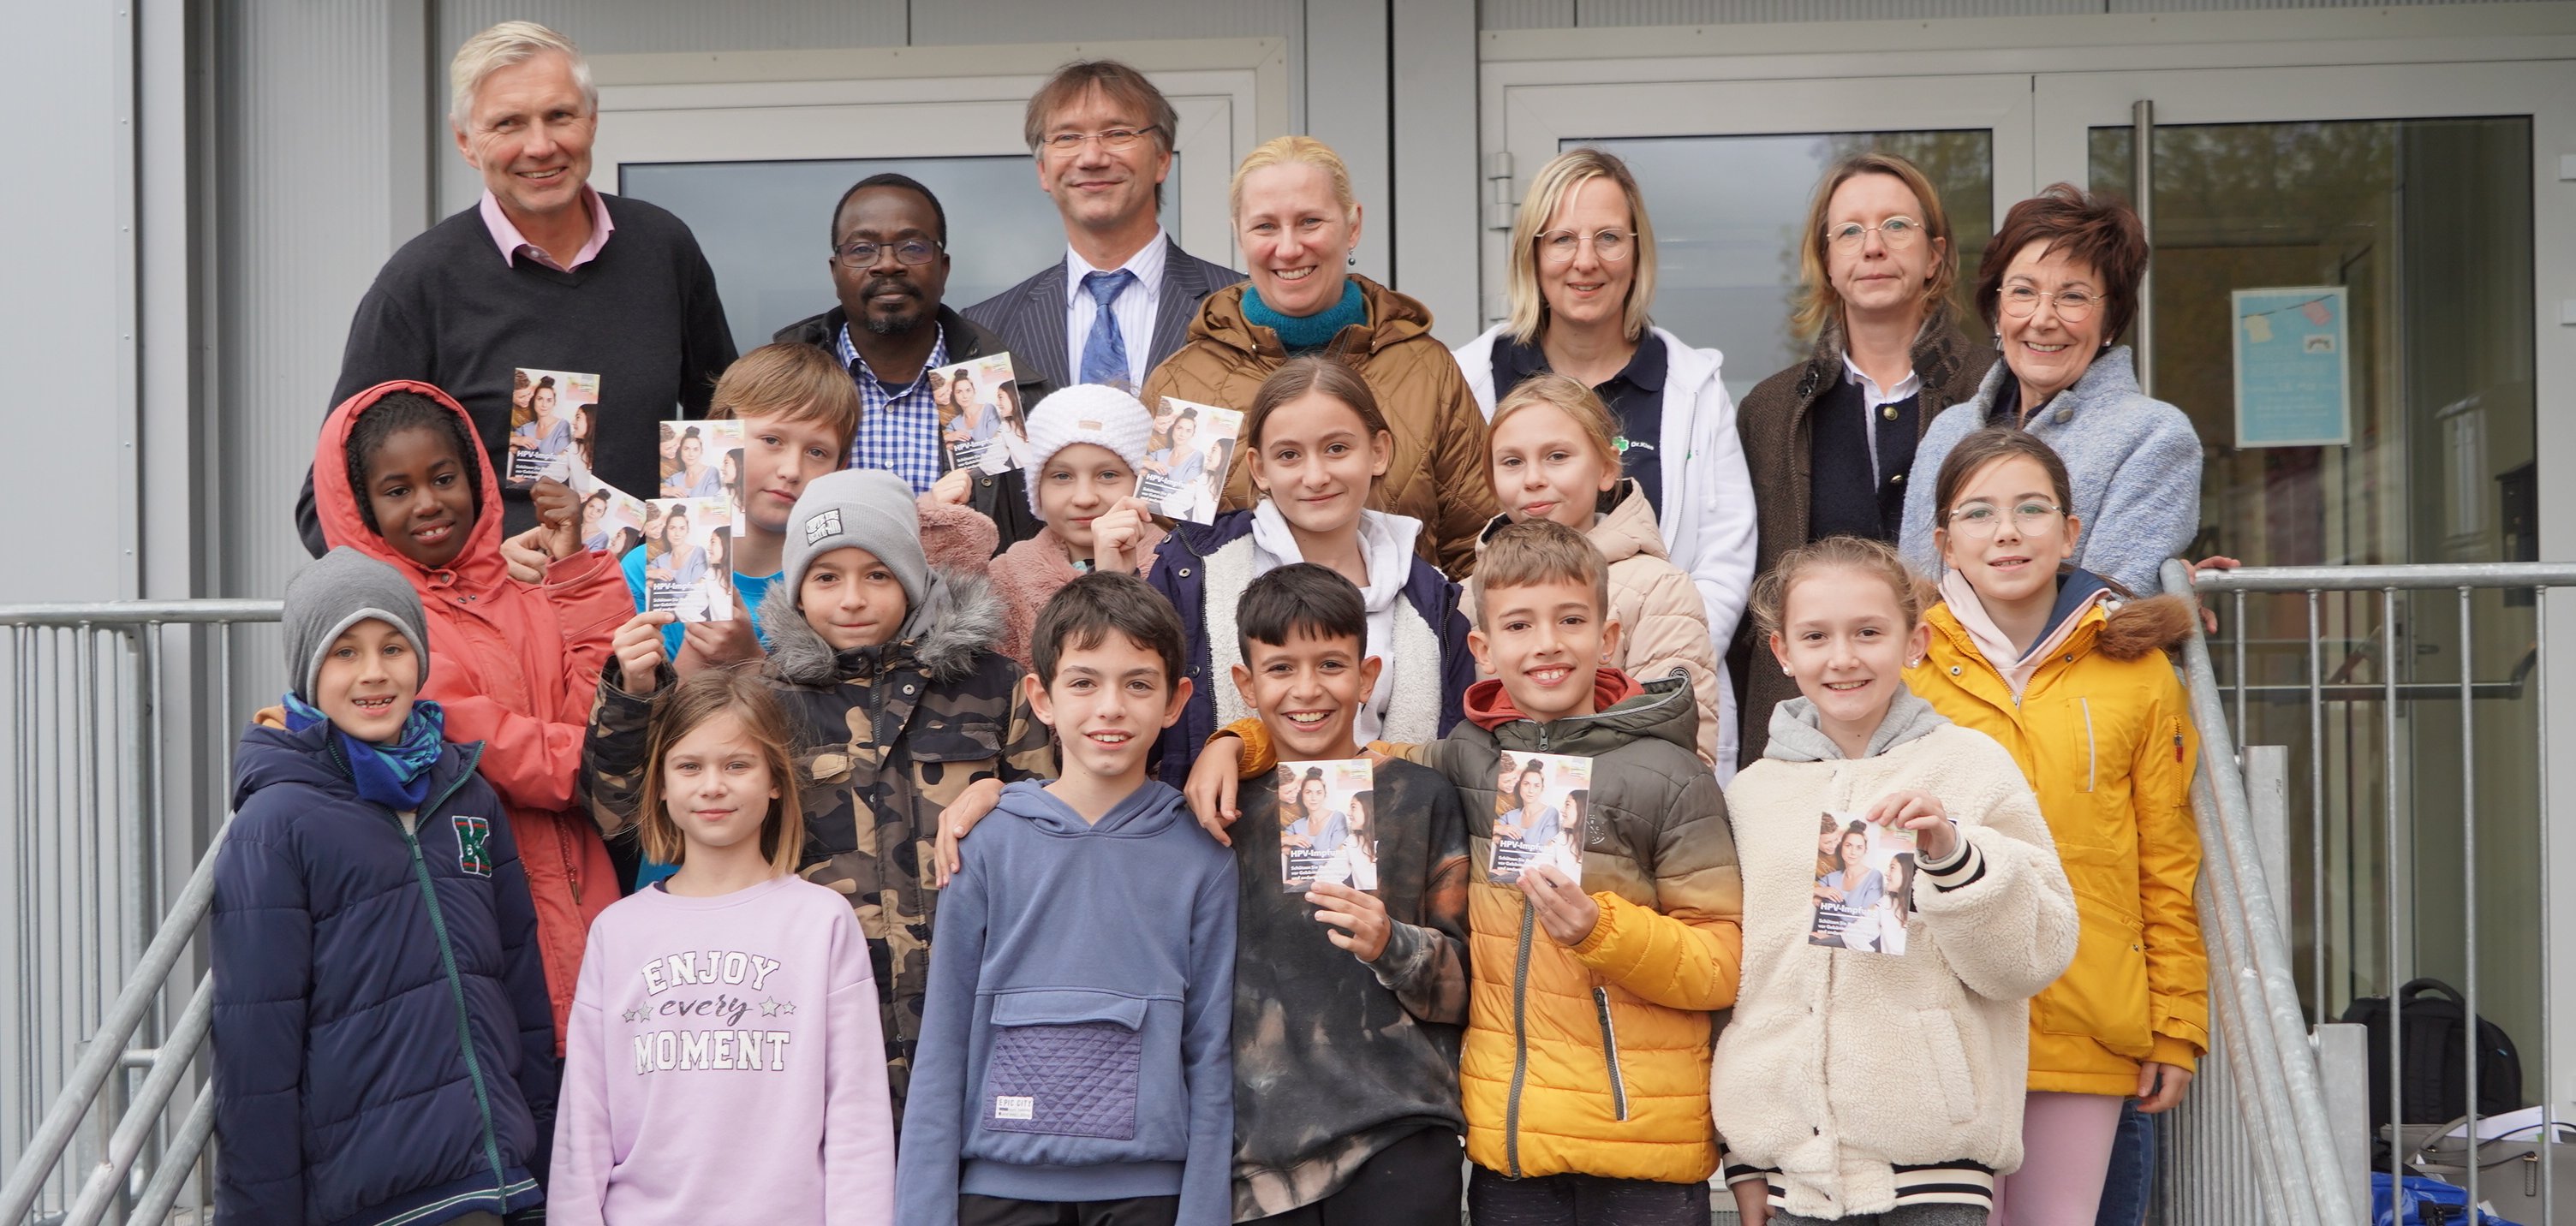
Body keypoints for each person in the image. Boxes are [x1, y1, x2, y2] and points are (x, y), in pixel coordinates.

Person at [1196, 520, 1744, 1223]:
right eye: (1519, 625)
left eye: (1570, 620)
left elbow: (1719, 966)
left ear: (1608, 637)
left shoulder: (1670, 778)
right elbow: (1336, 747)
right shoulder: (1465, 760)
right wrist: (1230, 743)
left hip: (1637, 1136)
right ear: (1483, 650)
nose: (1546, 643)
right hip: (1507, 1140)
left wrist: (1598, 927)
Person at [937, 564, 1473, 1223]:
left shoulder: (1422, 799)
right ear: (1245, 684)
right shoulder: (1216, 814)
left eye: (1331, 665)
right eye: (1280, 670)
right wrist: (998, 793)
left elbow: (1469, 989)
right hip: (1259, 1162)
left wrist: (1394, 945)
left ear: (1368, 677)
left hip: (1398, 1136)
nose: (1307, 689)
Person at [584, 468, 1051, 1126]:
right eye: (827, 577)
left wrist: (1005, 794)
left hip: (979, 1006)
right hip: (824, 1018)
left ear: (912, 579)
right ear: (798, 589)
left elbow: (1064, 814)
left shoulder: (995, 685)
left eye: (877, 575)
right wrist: (635, 695)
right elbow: (621, 810)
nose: (852, 598)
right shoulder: (766, 699)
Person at [1715, 534, 2078, 1226]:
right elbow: (1747, 980)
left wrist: (1951, 853)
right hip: (1798, 1176)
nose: (1843, 657)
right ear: (1783, 652)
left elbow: (2034, 957)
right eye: (1816, 636)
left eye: (1869, 632)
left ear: (1915, 641)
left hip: (1935, 1168)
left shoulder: (1973, 767)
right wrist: (1746, 1158)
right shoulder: (1751, 795)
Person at [1908, 428, 2206, 1226]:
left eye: (2032, 509)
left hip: (2085, 1015)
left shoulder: (2137, 673)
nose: (2006, 532)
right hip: (1940, 1022)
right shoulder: (1903, 666)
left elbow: (2166, 861)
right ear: (1945, 542)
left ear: (2071, 532)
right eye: (1979, 513)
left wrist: (2175, 1025)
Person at [212, 549, 557, 1226]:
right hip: (378, 1191)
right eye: (344, 653)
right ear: (310, 673)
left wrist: (545, 1162)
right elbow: (257, 1044)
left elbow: (521, 985)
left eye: (393, 646)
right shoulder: (278, 822)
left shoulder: (469, 796)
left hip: (497, 1178)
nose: (373, 673)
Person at [300, 21, 736, 554]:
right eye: (508, 123)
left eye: (560, 115)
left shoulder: (662, 248)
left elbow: (720, 433)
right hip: (502, 623)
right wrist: (471, 577)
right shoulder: (420, 283)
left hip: (649, 623)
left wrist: (704, 585)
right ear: (465, 142)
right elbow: (328, 506)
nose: (540, 145)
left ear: (592, 120)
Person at [895, 573, 1235, 1226]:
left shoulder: (1204, 854)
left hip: (1149, 1190)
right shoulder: (984, 842)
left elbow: (1211, 1049)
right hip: (998, 1183)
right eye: (1083, 682)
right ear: (1041, 698)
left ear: (1175, 700)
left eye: (1138, 683)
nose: (1110, 707)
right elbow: (944, 1042)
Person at [313, 381, 628, 1047]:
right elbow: (493, 744)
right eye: (397, 491)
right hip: (478, 919)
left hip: (584, 900)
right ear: (361, 508)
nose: (428, 504)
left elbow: (595, 699)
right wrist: (611, 759)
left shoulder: (521, 588)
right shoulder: (387, 631)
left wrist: (573, 567)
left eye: (445, 477)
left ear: (476, 478)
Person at [551, 670, 893, 1225]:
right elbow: (583, 1123)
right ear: (660, 783)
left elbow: (857, 1115)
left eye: (737, 765)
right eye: (689, 766)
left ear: (775, 779)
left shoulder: (820, 921)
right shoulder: (618, 932)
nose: (713, 785)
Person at [1453, 147, 1756, 698]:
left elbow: (1725, 557)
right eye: (1563, 239)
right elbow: (1449, 547)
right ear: (1532, 253)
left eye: (1609, 238)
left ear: (1637, 254)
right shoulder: (1469, 378)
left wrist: (1652, 683)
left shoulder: (1690, 384)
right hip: (1504, 704)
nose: (1585, 261)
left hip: (1659, 691)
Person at [1735, 152, 1999, 765]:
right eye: (1849, 231)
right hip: (1813, 735)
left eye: (1896, 226)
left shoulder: (1996, 390)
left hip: (1961, 714)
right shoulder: (1771, 410)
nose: (1872, 247)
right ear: (1826, 262)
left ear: (1935, 255)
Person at [1141, 136, 1496, 575]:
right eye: (1266, 226)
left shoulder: (1425, 371)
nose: (1288, 249)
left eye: (1310, 222)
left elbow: (1477, 550)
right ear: (1239, 233)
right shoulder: (1188, 386)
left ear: (1352, 226)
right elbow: (1167, 556)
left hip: (1401, 643)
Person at [1145, 357, 1476, 786]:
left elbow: (1458, 750)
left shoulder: (1433, 598)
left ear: (1378, 452)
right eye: (1289, 455)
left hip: (1391, 836)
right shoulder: (1192, 570)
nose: (1316, 476)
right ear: (1259, 468)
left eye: (1337, 448)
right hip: (1225, 839)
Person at [1900, 185, 2201, 598]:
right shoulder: (1948, 432)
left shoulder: (2154, 436)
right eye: (2023, 292)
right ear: (1997, 310)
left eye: (2073, 297)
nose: (2043, 318)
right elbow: (1917, 595)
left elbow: (2109, 606)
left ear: (2111, 323)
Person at [776, 174, 1047, 551]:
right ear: (835, 271)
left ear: (944, 267)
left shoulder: (1007, 394)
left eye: (913, 247)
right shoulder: (773, 389)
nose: (888, 265)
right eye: (862, 250)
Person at [1475, 373, 1730, 770]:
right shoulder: (1467, 593)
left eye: (1557, 456)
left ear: (1607, 469)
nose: (1534, 479)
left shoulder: (1658, 588)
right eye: (1512, 462)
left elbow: (1680, 751)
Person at [967, 60, 1246, 395]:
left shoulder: (1245, 309)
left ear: (1162, 160)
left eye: (1117, 133)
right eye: (1068, 137)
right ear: (1043, 170)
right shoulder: (985, 330)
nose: (1092, 157)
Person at [981, 384, 1166, 670]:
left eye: (1107, 475)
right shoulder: (1004, 579)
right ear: (1037, 487)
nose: (1084, 498)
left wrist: (1118, 581)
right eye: (1062, 476)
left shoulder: (1179, 570)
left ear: (1141, 480)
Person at [1841, 853, 1916, 955]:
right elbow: (1854, 934)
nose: (1886, 873)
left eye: (1892, 868)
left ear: (1908, 872)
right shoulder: (1885, 903)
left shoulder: (1924, 909)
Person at [663, 426, 724, 497]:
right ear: (680, 451)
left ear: (701, 451)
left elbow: (711, 502)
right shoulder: (674, 479)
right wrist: (665, 491)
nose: (691, 454)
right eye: (686, 449)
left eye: (696, 449)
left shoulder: (712, 472)